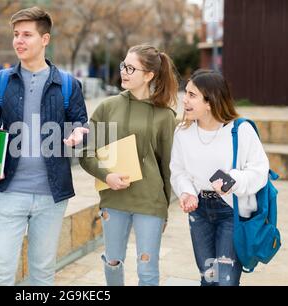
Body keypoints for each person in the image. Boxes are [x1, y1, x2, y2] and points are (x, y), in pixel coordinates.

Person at [0, 7, 88, 286]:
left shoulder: (67, 84)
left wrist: (77, 135)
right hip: (9, 191)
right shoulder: (1, 82)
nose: (19, 41)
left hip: (51, 196)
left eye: (27, 34)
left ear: (45, 39)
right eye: (16, 34)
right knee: (1, 273)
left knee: (42, 274)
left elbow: (80, 123)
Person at [79, 44, 179, 286]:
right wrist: (107, 176)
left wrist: (164, 208)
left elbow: (168, 167)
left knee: (147, 268)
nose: (124, 71)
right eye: (124, 65)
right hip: (113, 200)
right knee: (112, 262)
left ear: (149, 75)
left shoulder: (165, 115)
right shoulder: (107, 107)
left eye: (131, 68)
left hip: (150, 202)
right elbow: (87, 153)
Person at [170, 69, 269, 286]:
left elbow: (260, 171)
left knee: (226, 280)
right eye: (185, 93)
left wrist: (232, 180)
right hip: (199, 211)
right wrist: (186, 192)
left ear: (210, 101)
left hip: (231, 211)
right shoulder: (182, 132)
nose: (184, 99)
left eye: (191, 95)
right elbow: (178, 171)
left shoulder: (240, 130)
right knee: (208, 277)